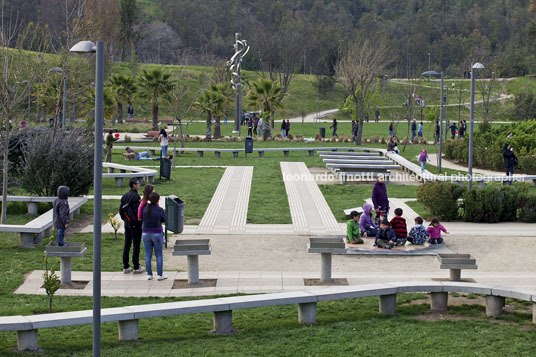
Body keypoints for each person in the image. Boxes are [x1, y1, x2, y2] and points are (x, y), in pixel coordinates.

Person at [119, 178, 145, 274]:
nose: (139, 185)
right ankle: (136, 266)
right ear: (134, 185)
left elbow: (121, 210)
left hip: (127, 224)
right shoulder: (136, 196)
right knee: (136, 245)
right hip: (135, 225)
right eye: (138, 183)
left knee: (127, 244)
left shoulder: (125, 196)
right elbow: (137, 211)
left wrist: (126, 220)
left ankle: (126, 266)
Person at [142, 192, 167, 280]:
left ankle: (149, 274)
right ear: (157, 200)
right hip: (157, 232)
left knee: (148, 255)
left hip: (145, 233)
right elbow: (164, 219)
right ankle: (160, 275)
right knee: (158, 255)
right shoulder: (159, 210)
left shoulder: (145, 209)